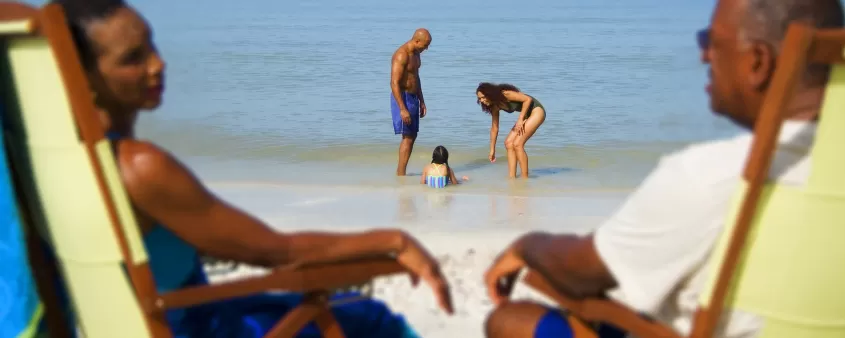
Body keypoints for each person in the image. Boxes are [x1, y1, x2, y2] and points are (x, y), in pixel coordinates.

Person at [52, 0, 453, 337]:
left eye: (151, 46)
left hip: (149, 320)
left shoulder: (61, 164)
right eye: (133, 58)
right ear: (81, 75)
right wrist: (395, 240)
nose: (158, 64)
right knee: (370, 319)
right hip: (204, 327)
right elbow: (278, 252)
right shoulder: (141, 167)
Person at [482, 0, 843, 337]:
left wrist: (527, 245)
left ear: (758, 62)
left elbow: (582, 273)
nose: (703, 55)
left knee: (510, 320)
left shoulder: (709, 176)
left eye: (711, 42)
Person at [476, 82, 546, 179]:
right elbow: (494, 128)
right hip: (527, 115)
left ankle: (524, 178)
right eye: (479, 99)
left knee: (517, 144)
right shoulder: (494, 107)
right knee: (508, 143)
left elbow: (527, 99)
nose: (482, 101)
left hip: (536, 110)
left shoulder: (505, 94)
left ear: (490, 94)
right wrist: (492, 150)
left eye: (483, 97)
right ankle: (512, 177)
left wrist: (520, 119)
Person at [391, 28, 431, 176]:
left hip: (413, 97)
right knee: (407, 137)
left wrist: (422, 100)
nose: (426, 48)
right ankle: (400, 174)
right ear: (417, 41)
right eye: (425, 45)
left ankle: (402, 173)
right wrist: (402, 108)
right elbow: (394, 83)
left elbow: (416, 77)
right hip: (403, 97)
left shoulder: (416, 54)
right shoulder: (401, 55)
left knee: (412, 135)